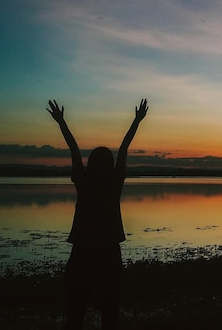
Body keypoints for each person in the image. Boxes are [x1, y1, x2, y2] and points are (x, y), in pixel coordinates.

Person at [47, 98, 148, 330]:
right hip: (107, 253)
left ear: (90, 164)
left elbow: (74, 149)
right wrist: (136, 121)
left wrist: (62, 123)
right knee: (108, 313)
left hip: (83, 252)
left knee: (76, 314)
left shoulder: (85, 182)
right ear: (110, 165)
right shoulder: (113, 184)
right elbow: (124, 149)